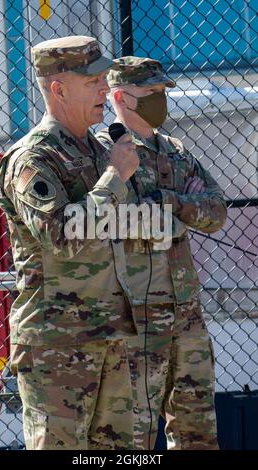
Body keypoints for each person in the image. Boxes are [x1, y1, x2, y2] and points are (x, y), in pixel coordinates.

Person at [0, 37, 141, 450]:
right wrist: (115, 178)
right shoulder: (32, 158)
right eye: (93, 79)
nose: (104, 89)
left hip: (109, 333)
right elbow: (60, 236)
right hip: (56, 345)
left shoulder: (100, 150)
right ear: (58, 89)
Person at [96, 56, 227, 450]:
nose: (159, 99)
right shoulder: (104, 153)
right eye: (149, 92)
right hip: (134, 315)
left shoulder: (175, 150)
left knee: (196, 424)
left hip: (185, 309)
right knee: (130, 433)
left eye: (161, 91)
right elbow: (112, 220)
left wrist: (168, 201)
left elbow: (216, 210)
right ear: (120, 96)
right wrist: (181, 207)